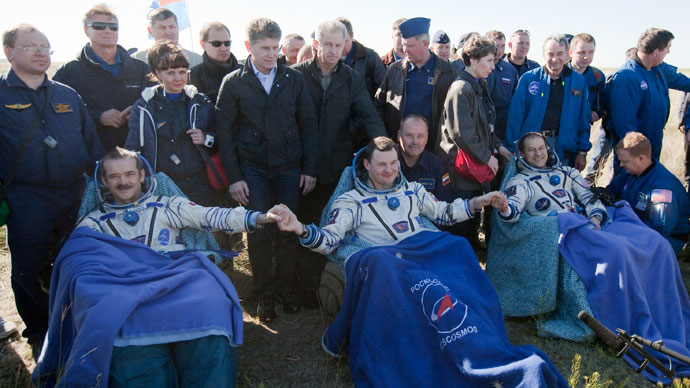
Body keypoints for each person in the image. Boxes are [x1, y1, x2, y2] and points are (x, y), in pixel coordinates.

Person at [267, 137, 569, 388]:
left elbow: (445, 214)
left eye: (393, 163)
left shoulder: (412, 190)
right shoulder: (351, 202)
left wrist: (480, 202)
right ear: (367, 165)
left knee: (459, 246)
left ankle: (477, 336)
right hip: (391, 263)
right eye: (381, 164)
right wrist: (301, 229)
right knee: (386, 265)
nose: (389, 170)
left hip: (425, 253)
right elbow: (330, 239)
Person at [34, 147, 276, 388]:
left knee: (212, 301)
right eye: (115, 177)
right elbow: (77, 260)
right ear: (104, 181)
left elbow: (211, 216)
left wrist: (259, 218)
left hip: (177, 281)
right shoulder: (93, 222)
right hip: (127, 290)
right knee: (116, 324)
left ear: (142, 175)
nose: (123, 182)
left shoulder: (167, 205)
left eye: (129, 174)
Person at [0, 24, 104, 355]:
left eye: (45, 47)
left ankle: (75, 320)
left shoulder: (66, 94)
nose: (41, 52)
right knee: (29, 266)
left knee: (75, 259)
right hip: (26, 196)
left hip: (74, 192)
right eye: (31, 46)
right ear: (9, 52)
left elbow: (92, 143)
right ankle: (40, 330)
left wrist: (105, 181)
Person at [215, 18, 319, 322]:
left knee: (287, 230)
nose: (272, 54)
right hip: (253, 170)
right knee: (259, 231)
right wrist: (235, 178)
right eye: (265, 48)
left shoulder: (293, 79)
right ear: (249, 47)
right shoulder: (233, 82)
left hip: (289, 168)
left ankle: (285, 289)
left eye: (276, 48)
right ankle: (263, 294)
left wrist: (309, 169)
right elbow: (225, 134)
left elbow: (308, 125)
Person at [292, 19, 386, 305]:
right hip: (302, 166)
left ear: (346, 44)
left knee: (332, 225)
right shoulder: (295, 76)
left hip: (336, 165)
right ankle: (304, 288)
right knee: (304, 223)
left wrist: (384, 146)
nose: (334, 51)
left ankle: (330, 285)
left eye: (339, 45)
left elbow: (368, 115)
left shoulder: (352, 79)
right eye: (328, 44)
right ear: (316, 44)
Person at [437, 35, 512, 246]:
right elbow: (461, 133)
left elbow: (483, 126)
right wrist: (488, 157)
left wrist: (498, 146)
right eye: (489, 60)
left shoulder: (477, 85)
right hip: (461, 171)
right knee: (462, 227)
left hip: (472, 168)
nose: (492, 66)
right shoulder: (462, 88)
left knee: (470, 223)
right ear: (473, 59)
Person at [125, 41, 216, 206]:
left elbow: (219, 136)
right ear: (157, 74)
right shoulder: (144, 106)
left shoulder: (201, 101)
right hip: (163, 183)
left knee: (204, 228)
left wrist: (206, 138)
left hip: (200, 182)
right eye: (170, 72)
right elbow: (133, 147)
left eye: (182, 72)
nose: (178, 78)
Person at [53, 4, 153, 152]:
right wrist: (98, 117)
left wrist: (137, 111)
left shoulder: (141, 69)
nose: (107, 30)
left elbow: (156, 104)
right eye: (99, 26)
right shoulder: (69, 72)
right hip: (91, 157)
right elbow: (58, 113)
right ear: (86, 30)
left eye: (113, 26)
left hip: (136, 155)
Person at [505, 34, 591, 170]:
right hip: (532, 148)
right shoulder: (529, 79)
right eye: (550, 54)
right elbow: (515, 116)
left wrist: (582, 151)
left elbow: (583, 119)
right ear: (543, 55)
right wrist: (512, 148)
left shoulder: (578, 82)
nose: (555, 59)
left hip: (563, 147)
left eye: (559, 54)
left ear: (568, 55)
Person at [606, 28, 690, 160]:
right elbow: (624, 122)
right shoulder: (626, 77)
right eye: (667, 48)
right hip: (634, 152)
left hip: (654, 143)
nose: (668, 51)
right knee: (631, 180)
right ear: (656, 52)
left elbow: (682, 81)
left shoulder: (659, 69)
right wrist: (634, 153)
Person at [375, 17, 457, 150]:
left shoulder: (448, 72)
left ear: (425, 44)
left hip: (433, 150)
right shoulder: (394, 70)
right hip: (398, 149)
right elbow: (379, 105)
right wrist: (383, 140)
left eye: (410, 46)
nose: (405, 50)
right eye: (403, 44)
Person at [498, 132, 606, 227]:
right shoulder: (520, 182)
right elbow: (513, 210)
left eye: (541, 148)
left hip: (581, 225)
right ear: (522, 154)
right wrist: (505, 208)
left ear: (548, 150)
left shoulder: (568, 173)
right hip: (552, 233)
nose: (538, 154)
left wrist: (596, 219)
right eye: (531, 150)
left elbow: (589, 197)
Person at [607, 132, 690, 253]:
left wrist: (623, 228)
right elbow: (612, 190)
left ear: (641, 158)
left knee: (618, 250)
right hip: (636, 225)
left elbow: (659, 229)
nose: (621, 165)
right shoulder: (630, 171)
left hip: (665, 239)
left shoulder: (664, 187)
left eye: (625, 161)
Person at [566, 33, 609, 183]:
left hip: (582, 132)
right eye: (582, 52)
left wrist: (597, 113)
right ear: (570, 53)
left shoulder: (597, 76)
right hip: (560, 132)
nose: (586, 57)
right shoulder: (560, 73)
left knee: (573, 174)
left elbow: (604, 104)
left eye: (590, 52)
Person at [398, 115, 452, 202]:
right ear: (399, 136)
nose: (415, 142)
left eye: (420, 136)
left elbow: (444, 204)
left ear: (427, 138)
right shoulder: (386, 161)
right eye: (409, 135)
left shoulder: (436, 165)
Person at [189, 21, 240, 103]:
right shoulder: (192, 77)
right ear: (202, 44)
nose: (223, 48)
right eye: (216, 43)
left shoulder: (244, 72)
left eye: (227, 43)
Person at [133, 8, 202, 67]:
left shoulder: (196, 61)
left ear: (178, 28)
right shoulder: (138, 60)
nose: (168, 32)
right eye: (162, 28)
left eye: (172, 27)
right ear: (150, 31)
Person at [336, 17, 386, 99]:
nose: (341, 45)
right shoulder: (328, 59)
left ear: (352, 36)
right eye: (337, 41)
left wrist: (372, 110)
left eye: (345, 41)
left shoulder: (370, 57)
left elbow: (383, 88)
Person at [485, 30, 518, 142]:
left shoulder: (510, 70)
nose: (499, 50)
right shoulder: (479, 67)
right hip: (483, 126)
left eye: (502, 46)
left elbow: (514, 101)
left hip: (503, 129)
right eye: (496, 46)